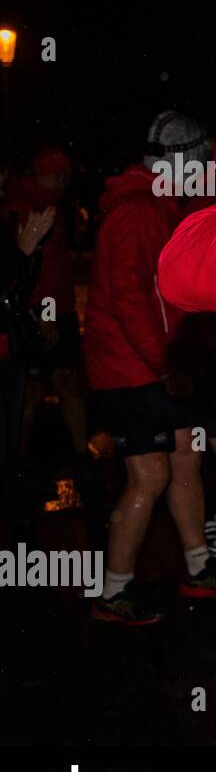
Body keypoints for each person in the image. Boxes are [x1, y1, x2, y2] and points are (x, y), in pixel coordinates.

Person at [85, 112, 216, 625]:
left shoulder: (152, 205)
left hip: (147, 365)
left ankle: (197, 566)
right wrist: (163, 364)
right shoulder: (138, 212)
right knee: (149, 476)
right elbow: (131, 301)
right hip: (131, 371)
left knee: (186, 458)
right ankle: (113, 591)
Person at [1, 146, 90, 479]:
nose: (65, 180)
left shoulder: (48, 202)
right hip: (38, 312)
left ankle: (79, 457)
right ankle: (18, 464)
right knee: (32, 389)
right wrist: (46, 316)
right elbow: (30, 274)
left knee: (60, 384)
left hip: (53, 309)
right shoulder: (24, 207)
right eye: (59, 173)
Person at [0, 202, 56, 542]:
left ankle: (20, 518)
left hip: (7, 349)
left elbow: (18, 285)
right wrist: (22, 252)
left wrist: (29, 251)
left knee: (9, 436)